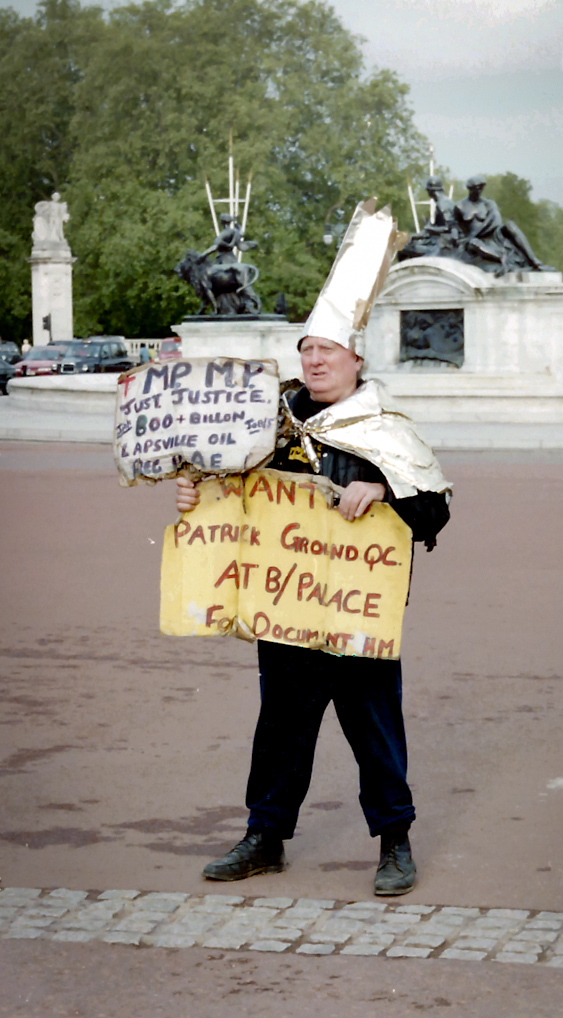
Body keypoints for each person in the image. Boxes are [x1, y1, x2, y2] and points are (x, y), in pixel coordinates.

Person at [175, 201, 452, 897]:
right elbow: (233, 492)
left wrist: (385, 493)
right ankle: (264, 837)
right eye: (306, 350)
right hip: (288, 608)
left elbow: (435, 507)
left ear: (356, 357)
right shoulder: (267, 426)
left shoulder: (388, 431)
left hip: (358, 613)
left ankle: (394, 843)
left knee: (375, 731)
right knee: (281, 730)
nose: (315, 359)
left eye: (327, 350)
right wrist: (195, 497)